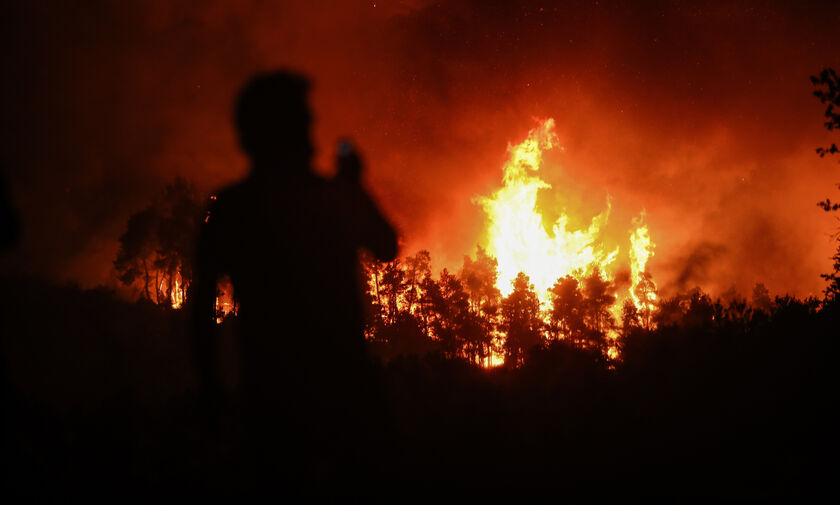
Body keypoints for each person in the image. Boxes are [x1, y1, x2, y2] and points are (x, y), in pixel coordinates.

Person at [190, 70, 397, 495]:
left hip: (269, 406)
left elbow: (198, 319)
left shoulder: (231, 208)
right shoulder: (331, 198)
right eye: (303, 122)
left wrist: (212, 393)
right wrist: (356, 186)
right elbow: (386, 246)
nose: (312, 133)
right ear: (280, 132)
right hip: (342, 408)